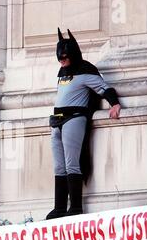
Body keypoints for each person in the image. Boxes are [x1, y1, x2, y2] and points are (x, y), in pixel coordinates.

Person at [46, 29, 122, 220]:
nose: (61, 61)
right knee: (59, 166)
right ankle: (60, 207)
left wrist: (114, 104)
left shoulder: (85, 71)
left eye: (64, 57)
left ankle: (76, 207)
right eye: (59, 58)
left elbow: (104, 88)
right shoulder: (62, 73)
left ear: (73, 55)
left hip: (74, 118)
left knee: (72, 163)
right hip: (57, 120)